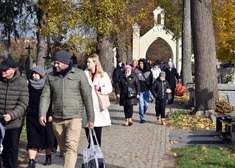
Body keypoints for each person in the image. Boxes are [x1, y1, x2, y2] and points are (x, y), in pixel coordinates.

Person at [39, 50, 94, 168]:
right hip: (57, 118)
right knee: (63, 148)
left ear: (65, 62)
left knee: (71, 146)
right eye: (54, 62)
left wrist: (91, 118)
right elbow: (45, 96)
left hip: (74, 117)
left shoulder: (79, 74)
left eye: (58, 63)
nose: (55, 65)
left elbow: (87, 96)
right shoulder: (51, 77)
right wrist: (42, 113)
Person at [0, 58, 29, 168]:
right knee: (2, 149)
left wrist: (12, 115)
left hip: (14, 123)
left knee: (11, 148)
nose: (3, 71)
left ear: (14, 70)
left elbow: (23, 103)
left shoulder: (21, 83)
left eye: (5, 70)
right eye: (1, 69)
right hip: (0, 122)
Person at [26, 65, 55, 168]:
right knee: (32, 138)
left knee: (47, 137)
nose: (34, 75)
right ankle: (31, 161)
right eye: (33, 73)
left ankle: (48, 156)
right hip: (32, 115)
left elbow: (51, 100)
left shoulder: (46, 85)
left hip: (45, 115)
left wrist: (50, 114)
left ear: (41, 75)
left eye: (36, 73)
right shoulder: (28, 86)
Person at [84, 53, 112, 146]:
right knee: (88, 131)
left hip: (98, 107)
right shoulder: (84, 74)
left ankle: (96, 152)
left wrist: (100, 89)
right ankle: (90, 151)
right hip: (87, 107)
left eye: (89, 62)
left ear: (95, 63)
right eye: (87, 62)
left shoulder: (103, 75)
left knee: (97, 131)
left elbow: (109, 89)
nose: (87, 64)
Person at [134, 58, 153, 123]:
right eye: (139, 63)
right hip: (139, 91)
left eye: (141, 63)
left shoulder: (149, 72)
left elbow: (151, 81)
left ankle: (142, 112)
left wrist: (151, 88)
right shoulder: (136, 71)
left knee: (146, 105)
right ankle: (142, 117)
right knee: (141, 105)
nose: (140, 65)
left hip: (146, 90)